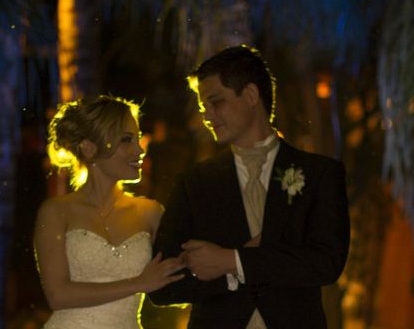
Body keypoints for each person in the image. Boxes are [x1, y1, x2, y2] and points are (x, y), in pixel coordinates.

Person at [149, 45, 350, 329]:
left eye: (216, 102)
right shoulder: (194, 183)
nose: (207, 116)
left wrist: (232, 259)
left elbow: (326, 263)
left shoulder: (320, 174)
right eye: (204, 106)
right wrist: (227, 272)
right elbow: (161, 287)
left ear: (251, 95)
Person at [34, 95, 185, 329]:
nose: (139, 150)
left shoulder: (151, 213)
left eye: (137, 139)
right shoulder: (56, 211)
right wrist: (138, 283)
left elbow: (178, 280)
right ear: (89, 148)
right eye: (126, 140)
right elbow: (58, 295)